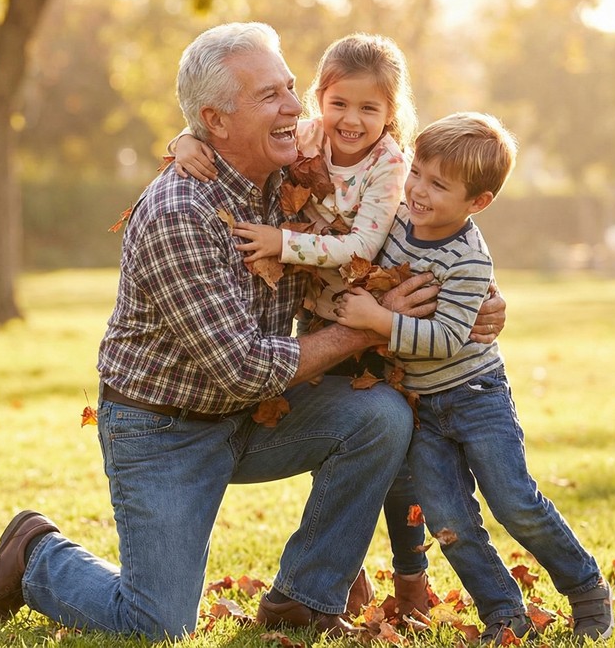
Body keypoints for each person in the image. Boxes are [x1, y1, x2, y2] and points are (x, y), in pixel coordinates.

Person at [0, 22, 447, 641]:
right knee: (156, 627)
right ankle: (35, 555)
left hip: (256, 414)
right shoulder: (180, 212)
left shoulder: (295, 176)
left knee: (380, 417)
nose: (294, 109)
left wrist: (476, 295)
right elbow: (241, 367)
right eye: (269, 96)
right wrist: (366, 331)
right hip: (166, 428)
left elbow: (410, 222)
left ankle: (305, 598)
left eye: (292, 89)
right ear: (216, 122)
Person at [172, 32, 432, 617]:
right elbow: (226, 126)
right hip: (321, 320)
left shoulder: (391, 163)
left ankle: (411, 580)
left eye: (370, 108)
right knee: (354, 442)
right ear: (321, 100)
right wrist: (186, 137)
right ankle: (341, 576)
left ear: (392, 112)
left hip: (376, 311)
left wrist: (282, 243)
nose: (351, 120)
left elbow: (373, 239)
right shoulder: (306, 137)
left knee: (399, 444)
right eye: (338, 103)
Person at [334, 112, 614, 644]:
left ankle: (585, 586)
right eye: (417, 172)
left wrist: (378, 320)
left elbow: (445, 338)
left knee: (514, 501)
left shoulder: (468, 261)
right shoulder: (392, 221)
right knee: (450, 522)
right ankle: (504, 614)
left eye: (438, 185)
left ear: (477, 202)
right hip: (421, 406)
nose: (416, 189)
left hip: (475, 396)